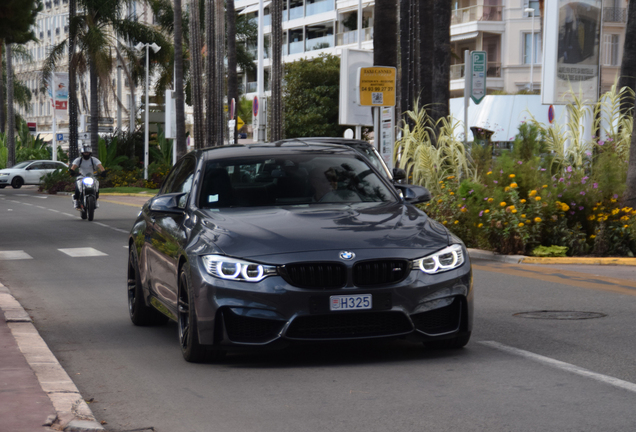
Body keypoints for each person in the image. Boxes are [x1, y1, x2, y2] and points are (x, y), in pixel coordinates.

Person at [69, 145, 106, 209]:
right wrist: (72, 172)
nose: (86, 154)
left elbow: (100, 166)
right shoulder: (78, 160)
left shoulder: (93, 159)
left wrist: (103, 172)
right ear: (82, 153)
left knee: (96, 187)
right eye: (85, 153)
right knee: (78, 187)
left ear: (90, 153)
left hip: (92, 176)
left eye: (87, 152)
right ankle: (76, 201)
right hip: (81, 176)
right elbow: (73, 167)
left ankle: (96, 200)